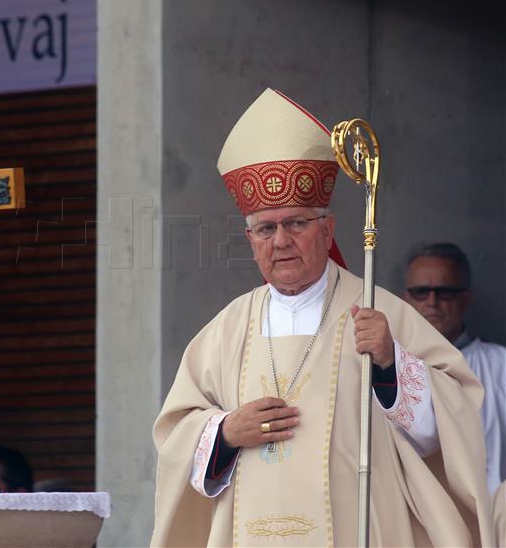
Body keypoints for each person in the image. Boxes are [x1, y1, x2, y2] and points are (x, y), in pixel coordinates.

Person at [151, 89, 494, 547]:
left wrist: (392, 366)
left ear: (327, 230)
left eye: (296, 223)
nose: (281, 241)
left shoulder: (380, 312)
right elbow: (174, 434)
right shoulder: (226, 330)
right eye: (266, 229)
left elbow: (457, 419)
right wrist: (225, 431)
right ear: (250, 240)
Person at [404, 242, 506, 494]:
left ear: (466, 297)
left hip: (491, 519)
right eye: (420, 291)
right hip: (414, 520)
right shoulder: (388, 368)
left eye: (445, 291)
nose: (432, 301)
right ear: (406, 299)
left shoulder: (501, 365)